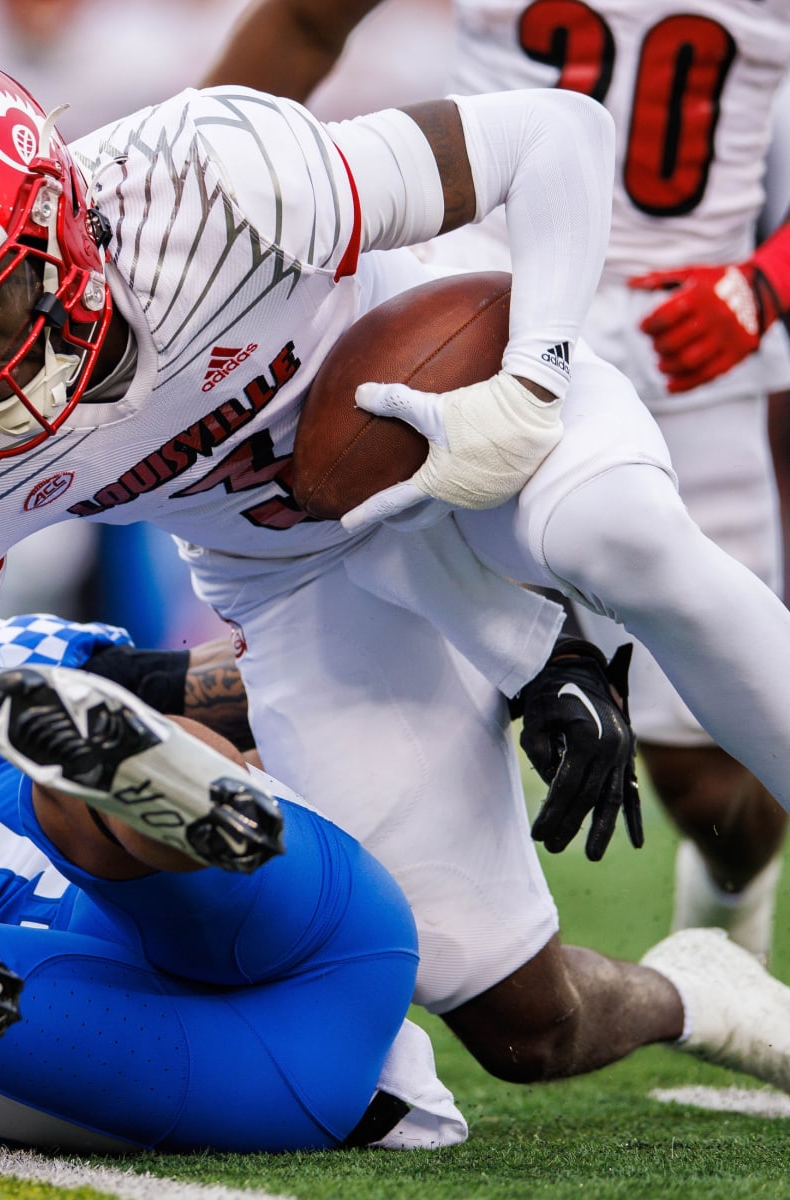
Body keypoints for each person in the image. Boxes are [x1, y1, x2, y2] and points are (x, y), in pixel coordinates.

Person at [0, 51, 790, 1152]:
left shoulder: (213, 179)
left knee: (616, 535)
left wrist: (536, 380)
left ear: (60, 221)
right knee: (517, 1022)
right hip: (299, 566)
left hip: (456, 413)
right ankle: (701, 991)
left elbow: (560, 136)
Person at [0, 619, 789, 1158]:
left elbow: (259, 684)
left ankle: (167, 798)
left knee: (66, 767)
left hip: (305, 932)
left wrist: (518, 665)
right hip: (234, 1077)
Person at [200, 0, 790, 963]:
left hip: (693, 323)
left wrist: (769, 283)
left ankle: (732, 903)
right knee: (367, 595)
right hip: (479, 303)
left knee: (708, 784)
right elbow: (306, 22)